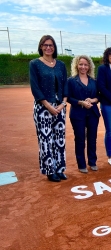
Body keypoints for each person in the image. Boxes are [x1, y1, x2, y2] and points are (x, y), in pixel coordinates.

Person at [29, 35, 68, 182]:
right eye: (45, 45)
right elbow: (35, 87)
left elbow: (65, 85)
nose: (48, 47)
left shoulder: (61, 65)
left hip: (60, 107)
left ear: (54, 47)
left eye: (51, 45)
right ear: (41, 47)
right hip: (42, 108)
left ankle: (60, 169)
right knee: (45, 139)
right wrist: (48, 106)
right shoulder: (34, 64)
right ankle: (49, 170)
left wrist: (63, 104)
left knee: (59, 139)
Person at [66, 55, 100, 173]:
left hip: (93, 113)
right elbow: (68, 97)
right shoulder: (71, 81)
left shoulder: (94, 81)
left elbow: (99, 96)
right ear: (76, 65)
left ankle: (92, 162)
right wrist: (80, 102)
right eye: (81, 64)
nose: (83, 67)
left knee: (92, 138)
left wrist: (93, 100)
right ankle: (81, 164)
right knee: (80, 139)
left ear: (89, 66)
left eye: (86, 64)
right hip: (77, 114)